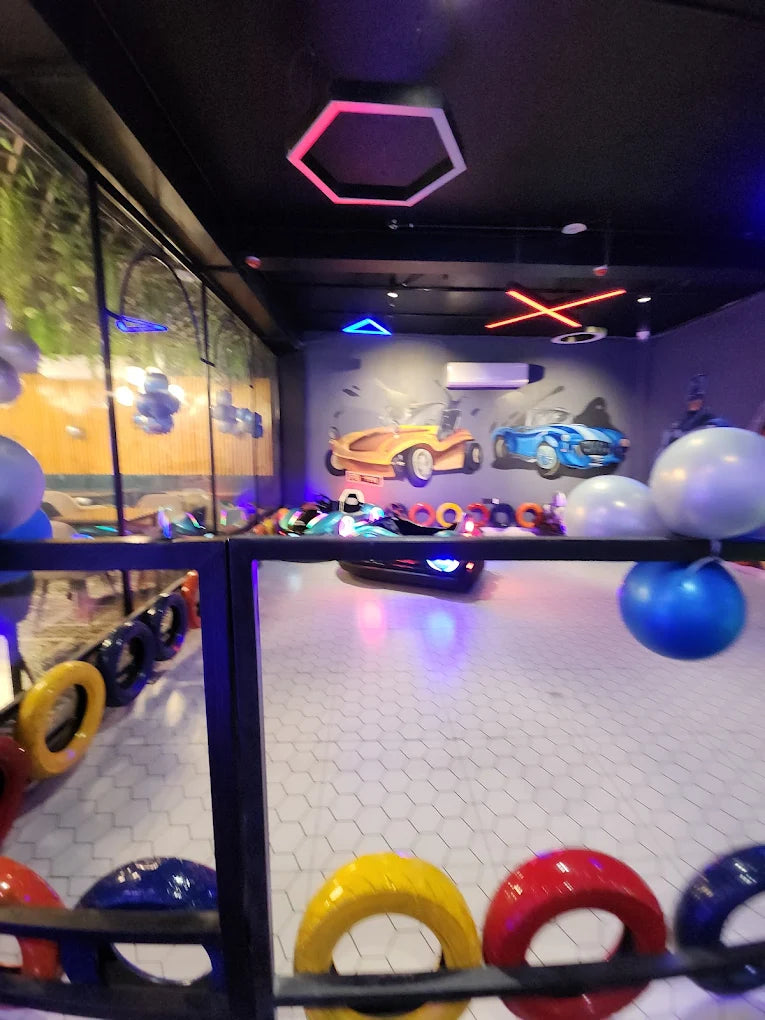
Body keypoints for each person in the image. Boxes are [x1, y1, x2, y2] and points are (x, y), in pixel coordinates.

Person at [658, 374, 728, 453]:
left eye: (698, 396)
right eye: (693, 396)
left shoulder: (715, 423)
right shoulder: (675, 428)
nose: (695, 400)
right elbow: (664, 452)